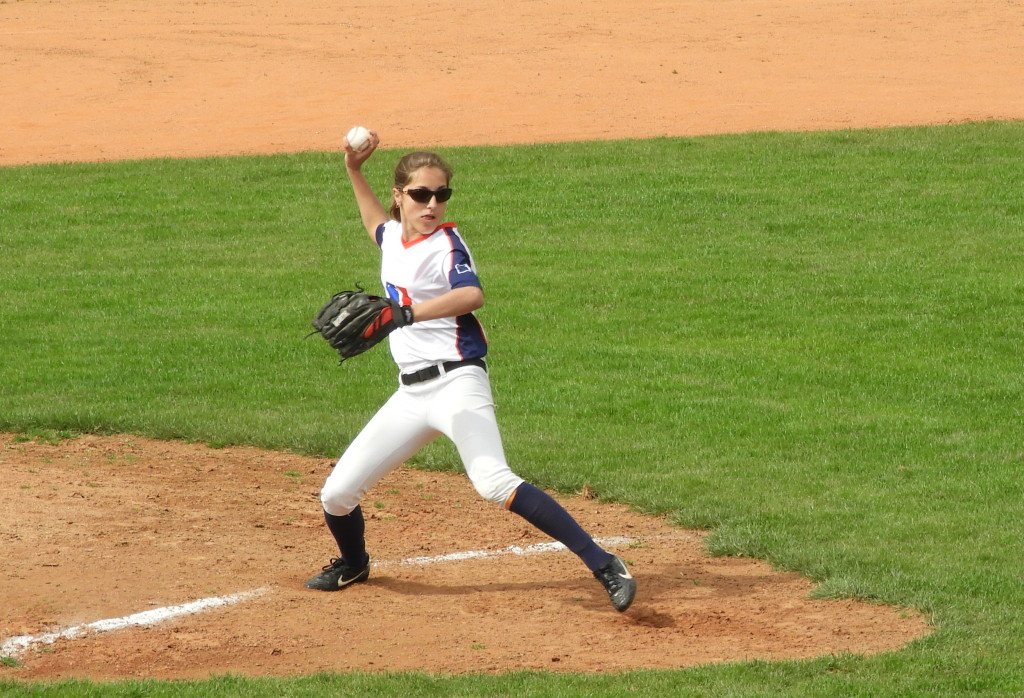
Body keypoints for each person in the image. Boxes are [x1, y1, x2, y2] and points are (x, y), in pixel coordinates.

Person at [304, 129, 636, 612]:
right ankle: (354, 563)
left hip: (459, 381)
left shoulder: (448, 245)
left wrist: (406, 314)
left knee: (493, 481)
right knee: (336, 494)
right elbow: (375, 223)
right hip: (411, 395)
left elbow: (473, 295)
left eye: (441, 194)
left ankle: (606, 564)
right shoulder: (394, 238)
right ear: (400, 196)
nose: (432, 203)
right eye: (420, 194)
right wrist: (353, 169)